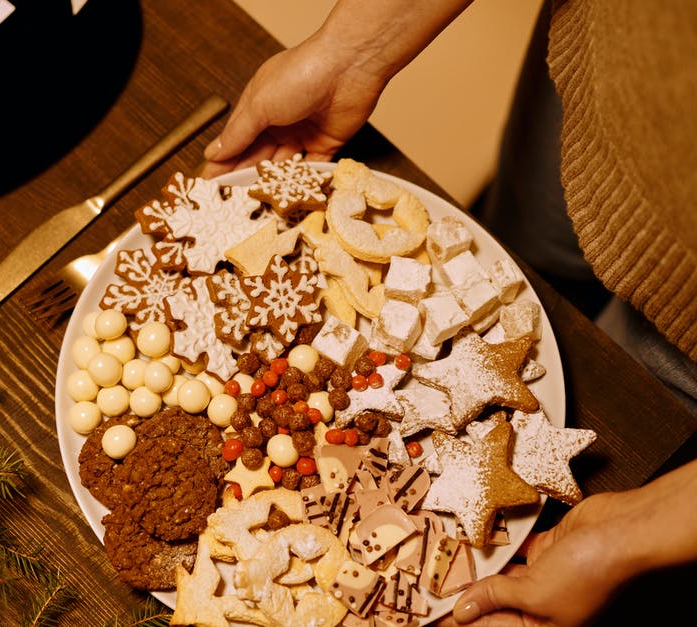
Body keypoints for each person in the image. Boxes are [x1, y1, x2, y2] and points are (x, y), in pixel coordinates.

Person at [201, 0, 697, 624]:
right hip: (606, 63)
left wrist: (645, 525)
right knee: (521, 244)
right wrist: (355, 49)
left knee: (645, 411)